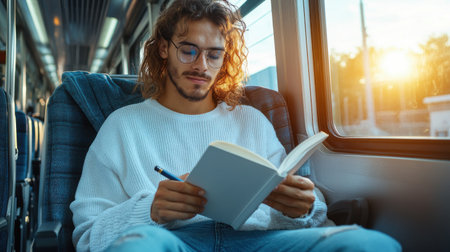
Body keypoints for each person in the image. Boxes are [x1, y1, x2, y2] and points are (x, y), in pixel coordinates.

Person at [70, 0, 401, 251]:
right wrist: (150, 211)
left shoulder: (252, 120)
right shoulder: (122, 127)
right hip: (174, 242)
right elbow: (87, 235)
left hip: (258, 240)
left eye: (214, 55)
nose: (201, 65)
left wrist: (304, 208)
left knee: (372, 244)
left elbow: (302, 214)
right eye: (188, 51)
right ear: (162, 50)